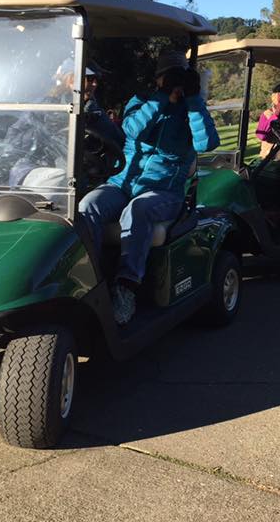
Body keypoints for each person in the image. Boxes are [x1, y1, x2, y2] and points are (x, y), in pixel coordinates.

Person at [78, 49, 220, 325]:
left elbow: (206, 144)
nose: (174, 83)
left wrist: (192, 100)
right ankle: (91, 281)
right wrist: (161, 99)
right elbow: (131, 130)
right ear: (158, 79)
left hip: (164, 190)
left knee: (138, 209)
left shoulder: (192, 108)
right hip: (124, 182)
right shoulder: (142, 100)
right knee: (88, 205)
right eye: (169, 77)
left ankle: (126, 287)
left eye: (179, 77)